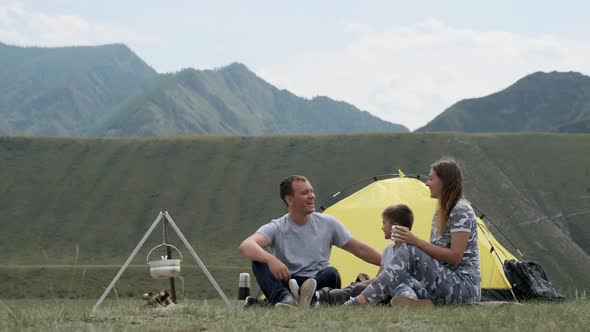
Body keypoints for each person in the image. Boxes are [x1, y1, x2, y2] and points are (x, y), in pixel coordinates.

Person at [346, 158, 481, 306]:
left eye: (430, 179)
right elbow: (436, 258)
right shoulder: (440, 214)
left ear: (444, 181)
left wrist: (415, 242)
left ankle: (360, 302)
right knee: (398, 275)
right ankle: (412, 302)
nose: (426, 183)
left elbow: (455, 257)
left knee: (410, 251)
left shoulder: (461, 210)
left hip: (464, 288)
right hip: (444, 284)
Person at [239, 175, 382, 307]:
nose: (311, 196)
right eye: (304, 193)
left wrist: (388, 262)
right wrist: (271, 259)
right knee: (258, 261)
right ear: (290, 199)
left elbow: (359, 248)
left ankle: (302, 299)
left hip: (317, 282)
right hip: (289, 283)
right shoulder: (277, 227)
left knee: (331, 273)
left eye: (311, 191)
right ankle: (286, 299)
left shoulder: (328, 223)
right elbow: (247, 245)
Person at [309, 204, 415, 305]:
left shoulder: (411, 251)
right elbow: (378, 279)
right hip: (381, 292)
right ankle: (318, 297)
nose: (381, 227)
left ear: (395, 226)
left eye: (384, 223)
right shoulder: (387, 250)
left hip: (395, 293)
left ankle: (316, 296)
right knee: (356, 288)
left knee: (359, 289)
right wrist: (358, 285)